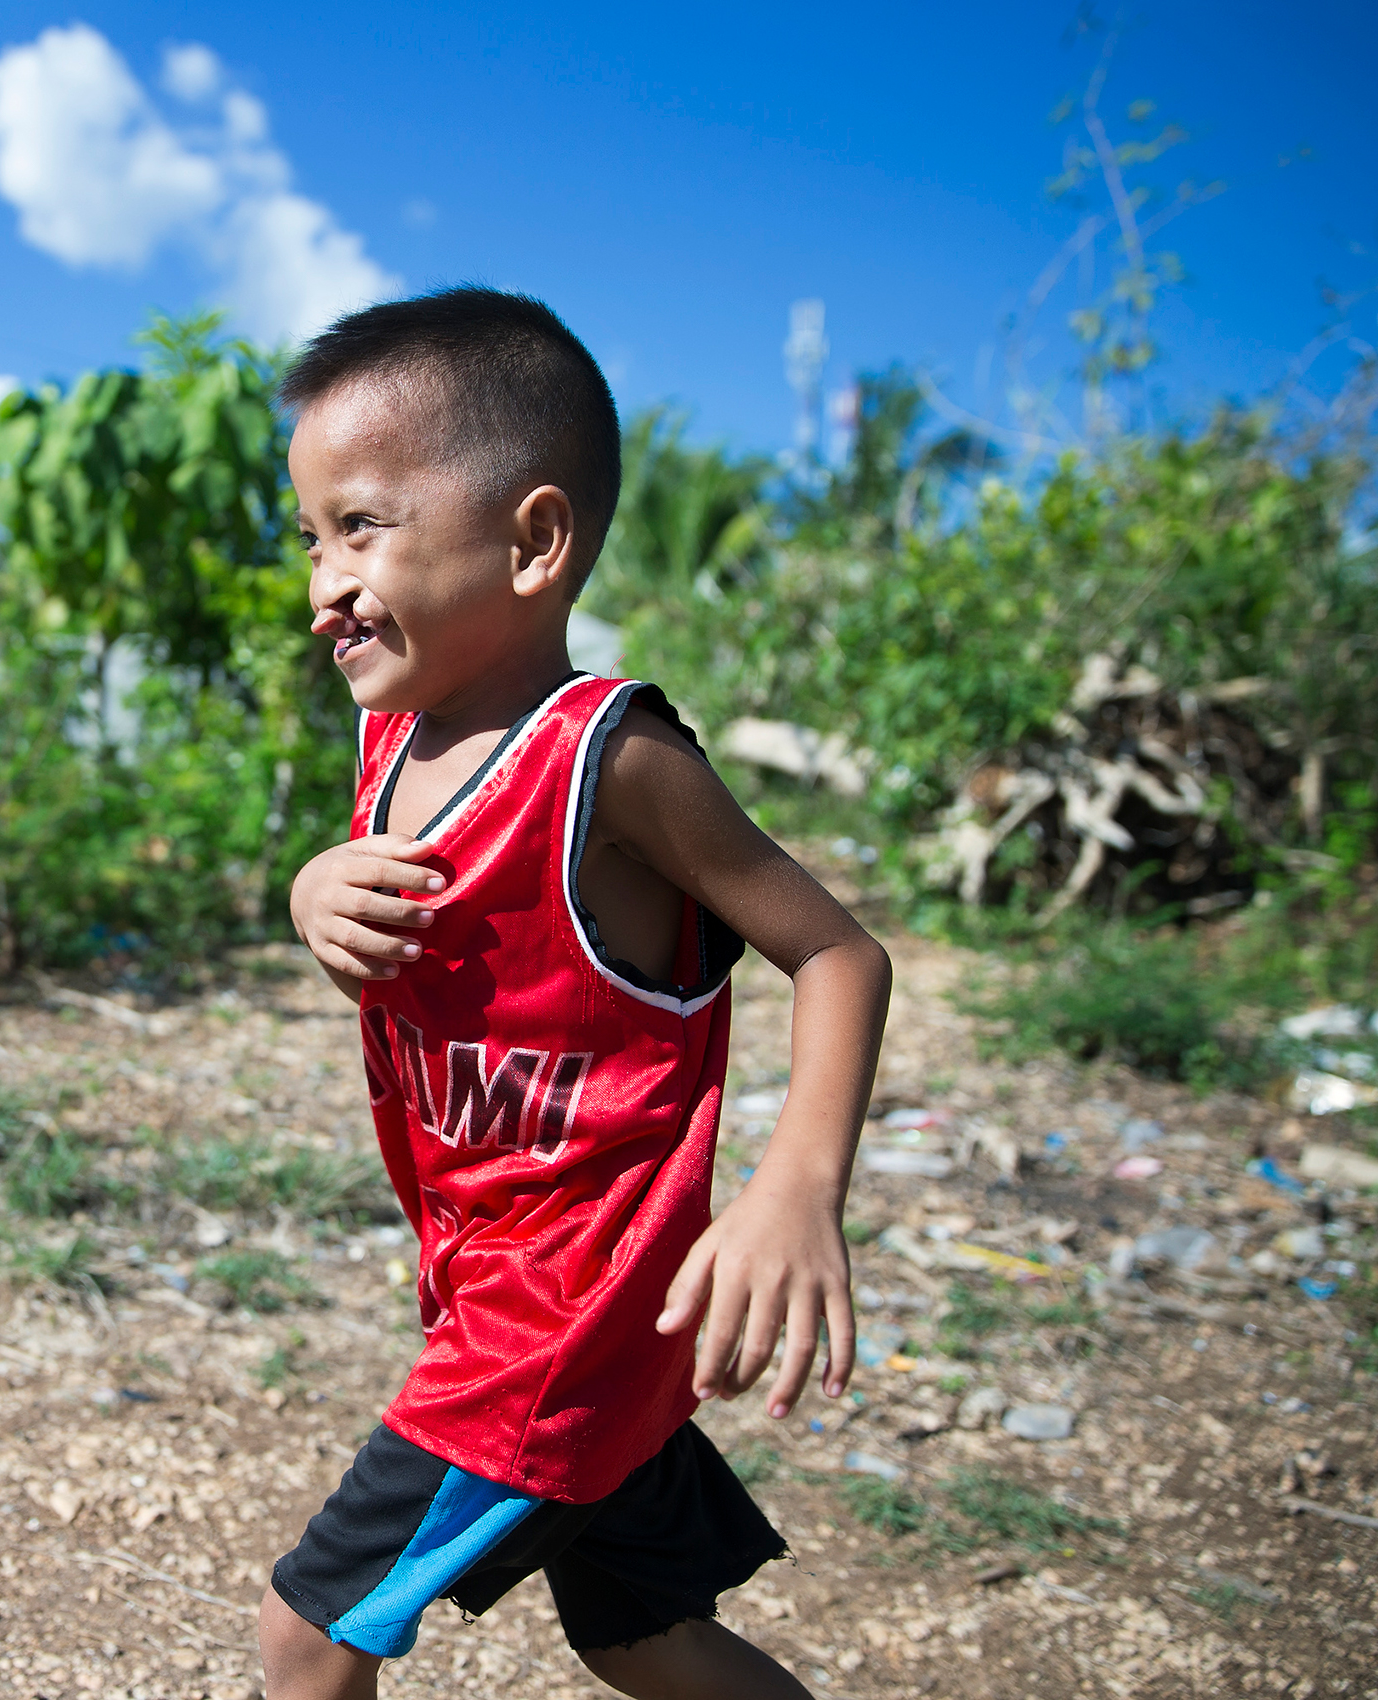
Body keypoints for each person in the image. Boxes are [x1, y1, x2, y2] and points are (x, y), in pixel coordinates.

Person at [269, 288, 892, 1700]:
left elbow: (842, 954)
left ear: (534, 541)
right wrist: (317, 890)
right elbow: (373, 904)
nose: (322, 583)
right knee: (646, 1645)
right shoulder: (395, 747)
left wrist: (797, 1191)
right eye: (310, 539)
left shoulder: (610, 764)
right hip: (505, 1291)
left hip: (555, 1323)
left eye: (361, 527)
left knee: (308, 1637)